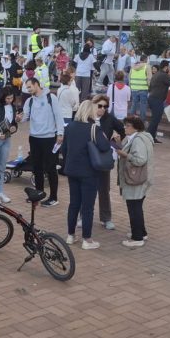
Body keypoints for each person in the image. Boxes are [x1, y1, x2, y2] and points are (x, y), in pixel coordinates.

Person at [61, 100, 112, 250]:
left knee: (74, 204)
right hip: (89, 172)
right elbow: (105, 146)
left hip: (72, 170)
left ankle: (70, 235)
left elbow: (64, 149)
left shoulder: (70, 127)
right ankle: (87, 239)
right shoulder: (94, 129)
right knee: (87, 207)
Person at [20, 77, 65, 207]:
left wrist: (60, 133)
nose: (28, 90)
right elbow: (25, 117)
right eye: (27, 88)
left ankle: (53, 197)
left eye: (29, 87)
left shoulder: (51, 98)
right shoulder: (29, 101)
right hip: (34, 138)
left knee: (51, 168)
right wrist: (19, 118)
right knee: (37, 167)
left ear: (36, 84)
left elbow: (58, 116)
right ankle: (38, 193)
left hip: (49, 138)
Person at [117, 115, 153, 248]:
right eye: (125, 125)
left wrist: (125, 155)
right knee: (136, 207)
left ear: (136, 128)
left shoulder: (138, 140)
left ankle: (137, 238)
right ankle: (141, 233)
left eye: (128, 126)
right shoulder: (136, 137)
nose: (125, 128)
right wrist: (119, 143)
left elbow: (140, 159)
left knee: (134, 208)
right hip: (139, 179)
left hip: (136, 179)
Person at [91, 94, 123, 230]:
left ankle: (106, 218)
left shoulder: (109, 118)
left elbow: (122, 129)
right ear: (94, 105)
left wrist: (116, 140)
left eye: (105, 106)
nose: (103, 109)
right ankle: (83, 215)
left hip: (104, 157)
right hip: (88, 157)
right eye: (100, 106)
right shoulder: (87, 117)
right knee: (87, 188)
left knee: (104, 189)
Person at [147, 62, 170, 142]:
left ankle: (152, 138)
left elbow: (150, 87)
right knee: (155, 120)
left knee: (155, 119)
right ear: (166, 67)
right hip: (157, 100)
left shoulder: (157, 74)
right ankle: (148, 138)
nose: (169, 68)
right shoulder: (164, 75)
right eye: (169, 66)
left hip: (152, 98)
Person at [128, 55, 150, 120]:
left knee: (134, 104)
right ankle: (142, 121)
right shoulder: (147, 66)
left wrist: (131, 87)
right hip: (144, 89)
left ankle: (130, 120)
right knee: (143, 105)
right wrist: (149, 87)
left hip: (134, 88)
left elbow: (129, 78)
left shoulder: (133, 67)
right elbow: (149, 79)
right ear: (145, 59)